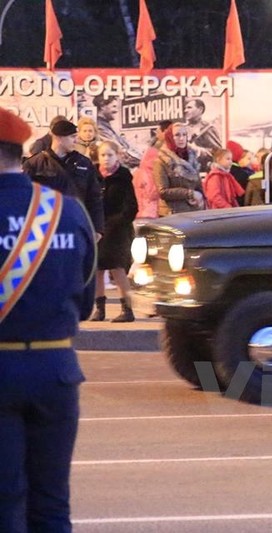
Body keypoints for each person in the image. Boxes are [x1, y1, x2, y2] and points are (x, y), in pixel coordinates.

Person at [0, 106, 95, 532]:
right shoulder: (68, 212)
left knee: (5, 503)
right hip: (56, 370)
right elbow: (87, 300)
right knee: (53, 502)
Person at [23, 119, 105, 237]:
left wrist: (98, 228)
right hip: (44, 228)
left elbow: (94, 197)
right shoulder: (35, 164)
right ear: (59, 138)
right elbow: (25, 198)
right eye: (72, 137)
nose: (76, 140)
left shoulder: (84, 163)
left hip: (76, 225)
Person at [91, 141, 138, 322]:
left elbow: (131, 207)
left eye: (110, 155)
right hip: (98, 227)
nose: (106, 159)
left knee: (118, 268)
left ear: (117, 155)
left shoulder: (123, 177)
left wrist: (117, 222)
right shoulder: (94, 176)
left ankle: (127, 309)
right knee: (97, 269)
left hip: (118, 229)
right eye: (103, 155)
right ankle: (99, 309)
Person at [153, 122, 205, 216]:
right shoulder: (161, 161)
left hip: (193, 211)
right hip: (172, 214)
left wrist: (200, 197)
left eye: (184, 134)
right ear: (170, 137)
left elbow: (198, 185)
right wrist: (190, 194)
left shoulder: (192, 158)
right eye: (177, 135)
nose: (181, 138)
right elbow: (163, 192)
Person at [133, 119, 172, 220]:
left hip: (150, 207)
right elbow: (152, 190)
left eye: (158, 131)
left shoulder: (156, 150)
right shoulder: (157, 152)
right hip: (152, 208)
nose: (156, 133)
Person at [93, 95, 141, 168]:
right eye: (114, 106)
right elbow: (120, 152)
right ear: (102, 106)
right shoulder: (100, 127)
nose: (116, 110)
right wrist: (141, 161)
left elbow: (125, 147)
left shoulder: (106, 125)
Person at [184, 98, 222, 172]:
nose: (185, 110)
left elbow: (218, 153)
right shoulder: (182, 128)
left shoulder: (208, 128)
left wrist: (197, 150)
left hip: (201, 172)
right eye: (185, 108)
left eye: (189, 107)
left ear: (200, 109)